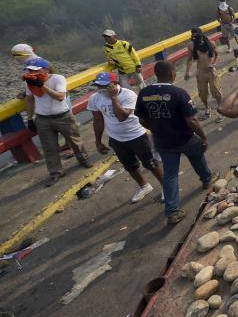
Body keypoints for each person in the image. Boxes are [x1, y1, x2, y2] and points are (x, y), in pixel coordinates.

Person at [134, 61, 213, 224]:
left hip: (163, 141)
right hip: (185, 137)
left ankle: (172, 211)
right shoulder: (179, 93)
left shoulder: (144, 93)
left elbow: (141, 120)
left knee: (170, 175)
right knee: (197, 158)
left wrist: (156, 129)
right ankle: (206, 180)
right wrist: (203, 137)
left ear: (157, 74)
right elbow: (191, 120)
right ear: (172, 74)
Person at [89, 72, 164, 203]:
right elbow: (98, 120)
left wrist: (113, 99)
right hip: (116, 138)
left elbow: (122, 117)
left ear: (115, 84)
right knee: (130, 166)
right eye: (98, 86)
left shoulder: (128, 95)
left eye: (105, 86)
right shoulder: (95, 98)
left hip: (136, 135)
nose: (101, 90)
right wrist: (98, 141)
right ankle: (144, 186)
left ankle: (166, 187)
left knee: (151, 163)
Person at [23, 58, 91, 185]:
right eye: (30, 70)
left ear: (46, 69)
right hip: (43, 118)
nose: (32, 73)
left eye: (35, 70)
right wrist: (30, 119)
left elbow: (60, 97)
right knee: (49, 148)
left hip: (63, 116)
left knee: (74, 141)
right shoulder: (29, 82)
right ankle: (55, 172)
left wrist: (42, 86)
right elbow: (30, 100)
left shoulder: (57, 78)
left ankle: (84, 160)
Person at [184, 27, 223, 122]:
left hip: (211, 71)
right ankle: (207, 108)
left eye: (197, 35)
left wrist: (213, 63)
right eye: (194, 36)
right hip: (200, 71)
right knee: (202, 93)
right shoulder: (191, 45)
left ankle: (221, 111)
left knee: (216, 91)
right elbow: (189, 59)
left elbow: (217, 54)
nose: (195, 37)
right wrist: (187, 72)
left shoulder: (211, 43)